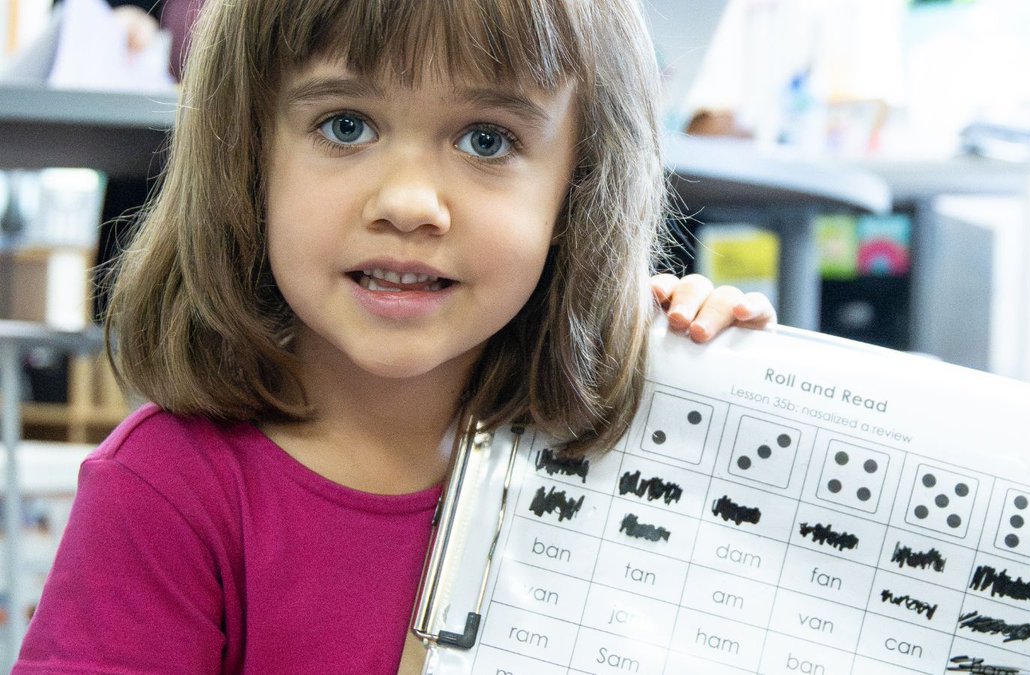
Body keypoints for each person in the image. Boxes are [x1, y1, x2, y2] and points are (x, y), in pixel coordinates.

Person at [14, 1, 775, 673]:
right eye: (346, 126)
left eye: (485, 140)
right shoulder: (165, 491)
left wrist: (709, 384)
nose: (410, 204)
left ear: (578, 192)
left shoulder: (615, 455)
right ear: (246, 159)